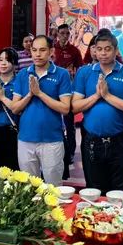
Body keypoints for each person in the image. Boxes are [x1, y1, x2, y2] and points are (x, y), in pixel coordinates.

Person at [72, 30, 123, 192]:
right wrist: (96, 95)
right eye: (99, 49)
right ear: (94, 50)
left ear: (116, 51)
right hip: (92, 140)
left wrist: (107, 96)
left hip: (120, 140)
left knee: (120, 189)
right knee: (94, 190)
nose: (103, 53)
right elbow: (74, 107)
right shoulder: (85, 73)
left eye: (107, 49)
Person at [8, 35, 72, 184]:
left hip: (52, 140)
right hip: (25, 139)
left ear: (51, 51)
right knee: (29, 188)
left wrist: (40, 93)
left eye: (42, 50)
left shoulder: (61, 74)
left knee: (53, 188)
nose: (37, 54)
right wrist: (30, 94)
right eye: (34, 50)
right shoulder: (23, 74)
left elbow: (65, 108)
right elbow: (15, 108)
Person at [52, 24, 82, 180]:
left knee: (69, 122)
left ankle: (70, 152)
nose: (64, 36)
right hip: (52, 91)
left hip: (68, 90)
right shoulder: (53, 50)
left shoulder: (74, 51)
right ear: (57, 34)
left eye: (67, 33)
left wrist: (73, 74)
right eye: (62, 33)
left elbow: (80, 69)